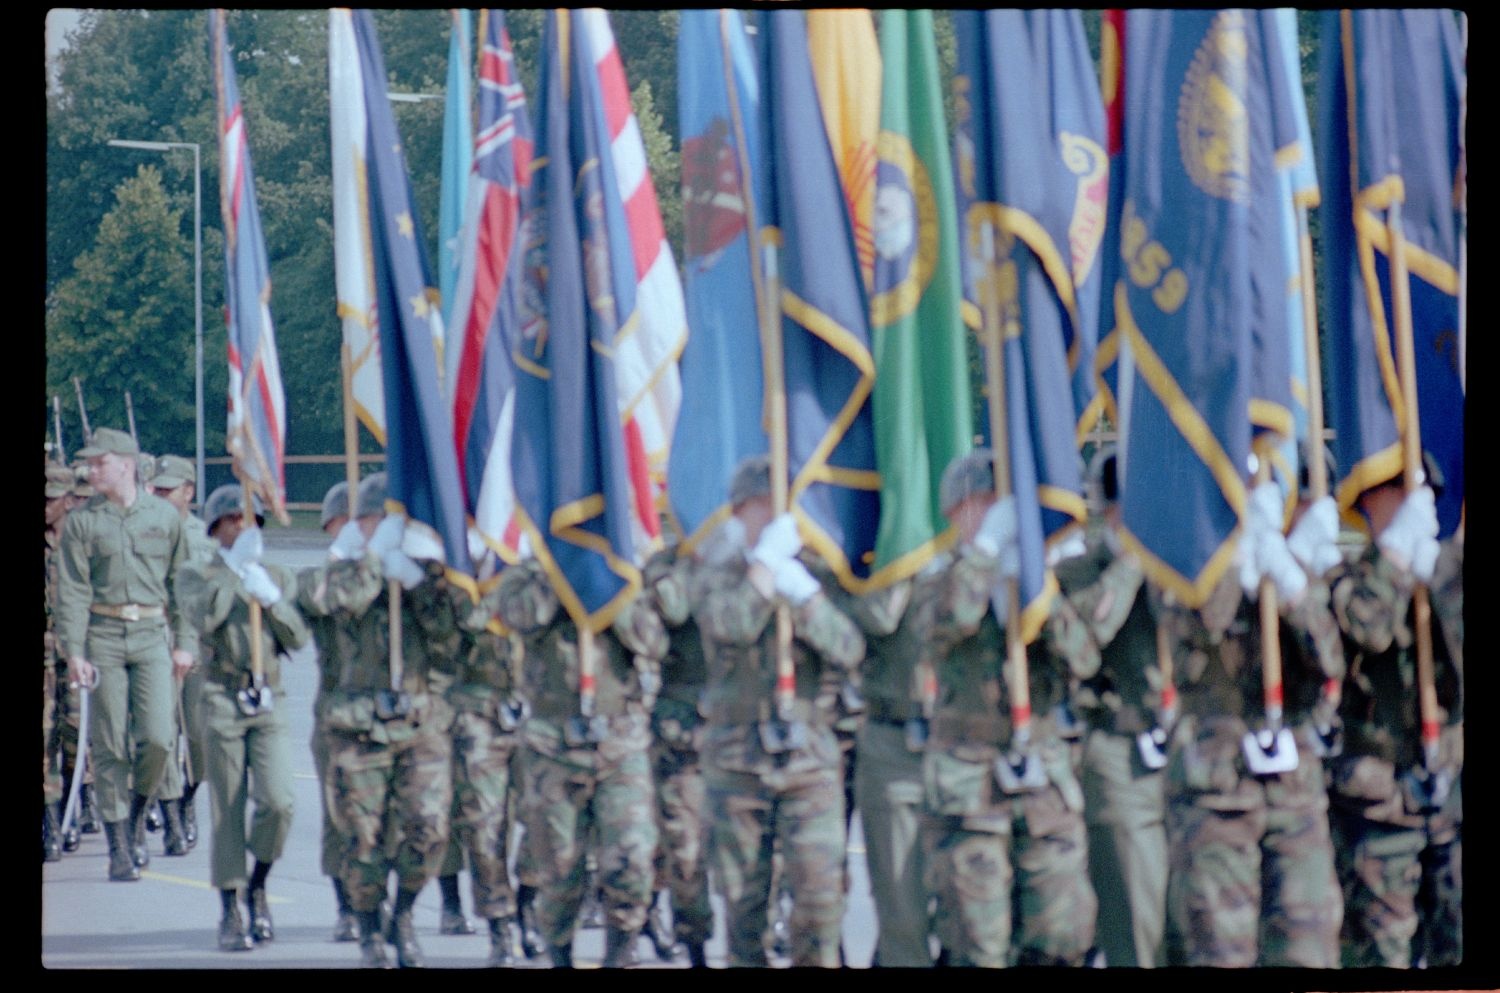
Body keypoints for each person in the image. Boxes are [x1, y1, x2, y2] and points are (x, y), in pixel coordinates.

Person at [1157, 464, 1345, 967]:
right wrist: (1234, 560)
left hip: (1292, 786)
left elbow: (1329, 661)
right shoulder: (1184, 564)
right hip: (1217, 788)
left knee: (1308, 949)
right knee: (1222, 951)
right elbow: (1199, 631)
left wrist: (1291, 583)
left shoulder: (1283, 561)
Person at [918, 450, 1099, 967]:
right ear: (957, 511)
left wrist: (1041, 592)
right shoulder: (938, 577)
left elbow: (1083, 656)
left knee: (1061, 935)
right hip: (968, 782)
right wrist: (987, 551)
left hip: (1044, 777)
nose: (1001, 509)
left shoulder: (1039, 583)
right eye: (987, 502)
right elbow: (946, 623)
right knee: (979, 944)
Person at [691, 455, 866, 968]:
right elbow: (729, 625)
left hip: (809, 759)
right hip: (736, 760)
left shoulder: (813, 570)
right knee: (745, 911)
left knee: (819, 901)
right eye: (762, 505)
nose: (773, 515)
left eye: (782, 505)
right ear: (739, 508)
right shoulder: (712, 572)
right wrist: (764, 571)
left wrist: (805, 595)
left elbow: (851, 647)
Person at [297, 473, 457, 968]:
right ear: (359, 524)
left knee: (427, 830)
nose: (384, 527)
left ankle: (404, 913)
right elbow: (325, 601)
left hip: (419, 720)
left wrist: (418, 579)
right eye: (374, 520)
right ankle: (369, 929)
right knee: (361, 838)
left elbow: (455, 635)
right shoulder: (332, 573)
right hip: (356, 724)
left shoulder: (423, 576)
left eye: (392, 520)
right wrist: (370, 561)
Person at [498, 551, 667, 968]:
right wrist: (561, 571)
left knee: (631, 861)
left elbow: (653, 640)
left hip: (620, 742)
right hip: (552, 746)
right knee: (558, 872)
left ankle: (621, 951)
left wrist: (609, 586)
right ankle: (560, 953)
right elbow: (518, 616)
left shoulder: (626, 572)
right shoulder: (526, 575)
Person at [1328, 465, 1462, 967]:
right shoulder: (1343, 581)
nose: (1413, 501)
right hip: (1378, 809)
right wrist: (1395, 562)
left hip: (1451, 798)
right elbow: (1368, 631)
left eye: (1421, 493)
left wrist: (1444, 575)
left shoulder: (1449, 573)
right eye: (1398, 490)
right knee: (1384, 956)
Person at [54, 427, 198, 882]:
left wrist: (185, 643)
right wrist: (74, 651)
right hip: (103, 635)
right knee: (111, 743)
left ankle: (137, 813)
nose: (90, 469)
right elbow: (72, 591)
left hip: (153, 633)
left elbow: (183, 586)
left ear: (126, 464)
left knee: (158, 739)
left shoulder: (164, 517)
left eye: (100, 462)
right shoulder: (82, 522)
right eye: (90, 462)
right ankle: (119, 846)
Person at [178, 484, 310, 951]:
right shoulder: (196, 573)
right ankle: (231, 909)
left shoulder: (273, 573)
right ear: (216, 527)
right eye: (234, 519)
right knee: (227, 809)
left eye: (250, 520)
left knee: (279, 801)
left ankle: (258, 882)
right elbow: (205, 617)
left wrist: (270, 597)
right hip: (221, 695)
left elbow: (296, 638)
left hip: (267, 695)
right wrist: (234, 574)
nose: (244, 526)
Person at [1053, 445, 1168, 967]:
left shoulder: (1187, 563)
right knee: (1139, 934)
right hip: (1124, 758)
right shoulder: (1081, 572)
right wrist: (1127, 566)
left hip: (1198, 757)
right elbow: (1082, 644)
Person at [437, 560, 531, 966]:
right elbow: (451, 635)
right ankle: (500, 927)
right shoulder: (456, 574)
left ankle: (527, 904)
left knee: (550, 822)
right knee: (484, 828)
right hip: (478, 713)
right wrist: (494, 587)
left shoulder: (539, 567)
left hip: (538, 711)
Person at [642, 541, 713, 967]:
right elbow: (669, 611)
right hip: (683, 731)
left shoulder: (760, 555)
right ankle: (695, 944)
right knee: (684, 849)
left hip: (747, 728)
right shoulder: (665, 565)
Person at [148, 453, 219, 853]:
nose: (158, 495)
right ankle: (172, 812)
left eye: (167, 489)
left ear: (188, 491)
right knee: (160, 736)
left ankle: (188, 797)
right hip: (155, 642)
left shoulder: (206, 536)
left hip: (199, 649)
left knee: (198, 739)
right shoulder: (147, 530)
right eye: (154, 488)